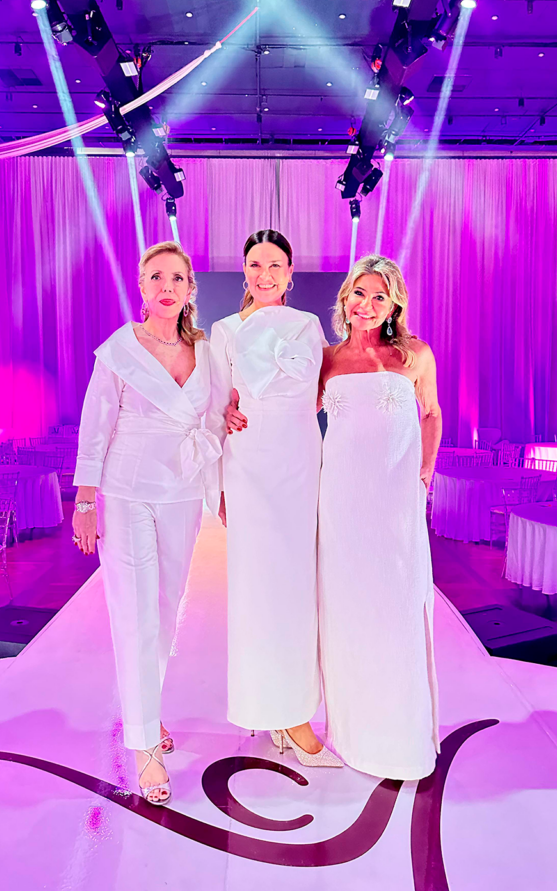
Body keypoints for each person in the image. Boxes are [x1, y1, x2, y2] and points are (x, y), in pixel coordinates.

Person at [72, 241, 221, 806]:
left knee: (164, 612)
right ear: (142, 286)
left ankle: (146, 710)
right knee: (135, 614)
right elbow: (96, 423)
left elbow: (214, 415)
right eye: (156, 276)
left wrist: (228, 419)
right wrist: (86, 500)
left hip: (182, 491)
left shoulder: (206, 351)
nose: (167, 286)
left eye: (177, 278)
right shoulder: (120, 349)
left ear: (189, 289)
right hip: (125, 490)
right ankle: (143, 746)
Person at [208, 230, 341, 768]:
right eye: (255, 265)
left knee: (297, 586)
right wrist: (218, 477)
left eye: (275, 265)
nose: (264, 274)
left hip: (299, 462)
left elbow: (319, 397)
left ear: (290, 273)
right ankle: (271, 707)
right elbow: (213, 404)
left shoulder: (308, 325)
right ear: (244, 272)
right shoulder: (223, 331)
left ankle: (294, 711)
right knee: (255, 589)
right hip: (249, 465)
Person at [317, 254, 442, 780]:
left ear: (394, 305)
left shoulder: (414, 354)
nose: (366, 305)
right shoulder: (326, 359)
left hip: (395, 499)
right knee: (347, 609)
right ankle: (354, 736)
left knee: (397, 606)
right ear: (345, 298)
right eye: (359, 293)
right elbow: (290, 417)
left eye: (378, 297)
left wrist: (424, 472)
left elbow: (431, 413)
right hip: (340, 501)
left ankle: (401, 738)